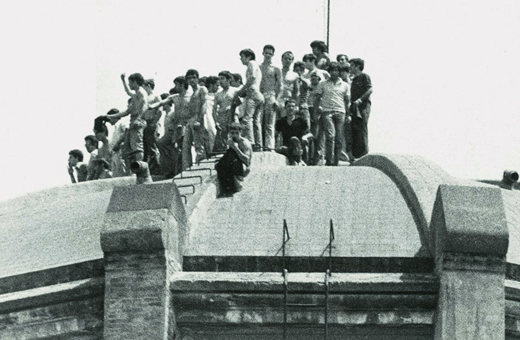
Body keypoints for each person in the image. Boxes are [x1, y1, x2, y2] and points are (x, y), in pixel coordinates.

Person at [107, 73, 148, 170]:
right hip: (133, 120)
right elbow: (128, 95)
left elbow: (145, 105)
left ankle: (140, 167)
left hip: (138, 120)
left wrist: (139, 118)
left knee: (137, 146)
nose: (129, 85)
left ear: (134, 82)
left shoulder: (141, 92)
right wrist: (123, 81)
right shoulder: (136, 94)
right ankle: (133, 169)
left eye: (130, 82)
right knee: (129, 148)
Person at [314, 62, 350, 166]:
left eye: (336, 70)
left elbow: (347, 101)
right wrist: (316, 111)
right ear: (329, 71)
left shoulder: (345, 85)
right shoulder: (323, 84)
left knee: (339, 139)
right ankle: (329, 161)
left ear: (339, 72)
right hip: (327, 112)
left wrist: (348, 114)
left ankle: (336, 162)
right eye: (332, 70)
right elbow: (317, 98)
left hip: (340, 112)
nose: (334, 73)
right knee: (330, 136)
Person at [235, 48, 264, 147]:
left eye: (242, 56)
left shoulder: (252, 63)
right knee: (256, 121)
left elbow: (252, 78)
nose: (241, 59)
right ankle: (259, 143)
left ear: (249, 57)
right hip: (258, 95)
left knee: (247, 119)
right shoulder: (254, 65)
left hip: (253, 94)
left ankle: (251, 142)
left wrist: (241, 90)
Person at [182, 69, 210, 169]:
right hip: (191, 120)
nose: (192, 80)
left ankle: (201, 165)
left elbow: (204, 105)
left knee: (199, 144)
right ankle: (187, 168)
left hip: (199, 118)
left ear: (198, 79)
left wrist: (199, 120)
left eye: (194, 77)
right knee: (186, 146)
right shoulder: (191, 93)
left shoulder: (202, 89)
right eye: (189, 78)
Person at [215, 122, 252, 195]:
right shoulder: (231, 140)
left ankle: (237, 182)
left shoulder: (244, 143)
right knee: (220, 165)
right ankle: (227, 186)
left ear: (240, 132)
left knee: (232, 157)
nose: (234, 135)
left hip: (244, 166)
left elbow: (247, 161)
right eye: (232, 133)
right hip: (235, 163)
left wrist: (235, 148)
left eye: (236, 133)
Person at [349, 58, 373, 159]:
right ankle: (357, 154)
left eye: (352, 65)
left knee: (362, 126)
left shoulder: (364, 76)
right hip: (355, 107)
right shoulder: (354, 80)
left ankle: (364, 153)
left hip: (363, 106)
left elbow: (370, 89)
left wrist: (360, 100)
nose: (350, 67)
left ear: (358, 66)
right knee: (356, 128)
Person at [259, 44, 282, 150]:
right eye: (266, 53)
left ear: (273, 54)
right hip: (259, 96)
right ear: (263, 53)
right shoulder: (258, 67)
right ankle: (259, 145)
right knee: (258, 121)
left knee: (269, 123)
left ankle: (269, 146)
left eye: (270, 53)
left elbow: (280, 86)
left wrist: (277, 100)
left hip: (270, 95)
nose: (268, 55)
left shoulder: (276, 69)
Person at [214, 71, 239, 152]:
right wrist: (216, 121)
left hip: (232, 117)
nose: (220, 81)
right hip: (221, 118)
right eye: (219, 79)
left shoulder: (235, 91)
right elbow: (214, 109)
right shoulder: (218, 94)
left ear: (228, 80)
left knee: (234, 136)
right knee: (222, 139)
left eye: (222, 78)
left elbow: (240, 103)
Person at [142, 79, 162, 174]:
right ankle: (148, 169)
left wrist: (154, 122)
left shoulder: (155, 96)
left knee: (152, 147)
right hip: (144, 123)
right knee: (145, 147)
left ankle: (156, 168)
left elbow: (160, 110)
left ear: (149, 86)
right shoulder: (145, 97)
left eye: (144, 86)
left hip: (151, 123)